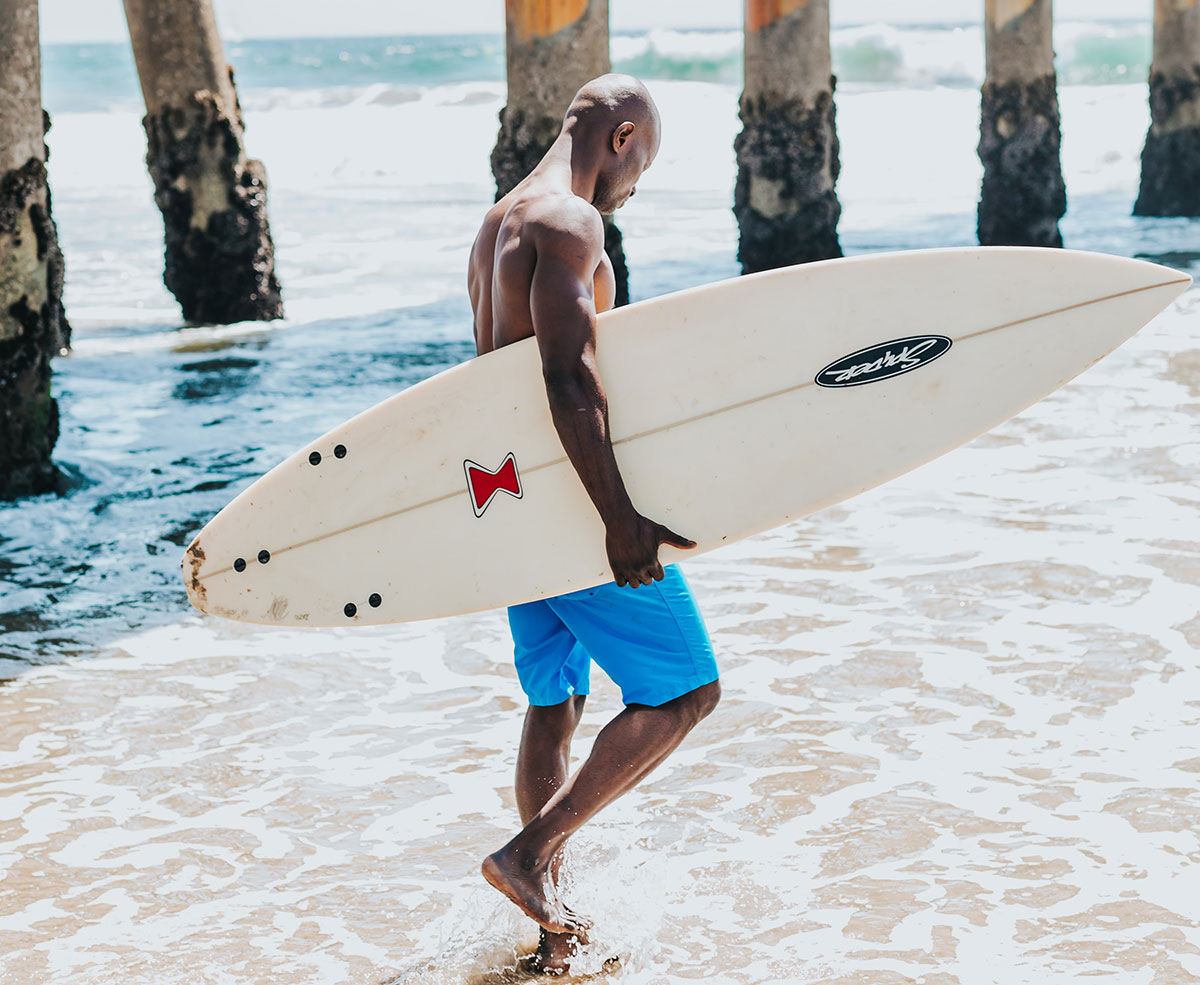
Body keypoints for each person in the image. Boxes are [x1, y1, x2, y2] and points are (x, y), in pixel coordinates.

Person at [466, 74, 721, 973]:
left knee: (556, 702)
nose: (635, 186)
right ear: (620, 137)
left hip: (513, 501)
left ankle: (552, 925)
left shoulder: (498, 223)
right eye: (642, 163)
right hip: (573, 501)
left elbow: (493, 383)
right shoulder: (569, 222)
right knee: (686, 691)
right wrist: (620, 521)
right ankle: (529, 857)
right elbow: (567, 378)